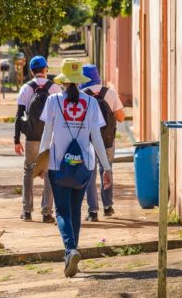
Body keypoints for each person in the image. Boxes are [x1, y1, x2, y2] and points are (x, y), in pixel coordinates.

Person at [39, 59, 112, 277]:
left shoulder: (53, 101)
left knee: (62, 211)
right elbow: (96, 137)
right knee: (76, 211)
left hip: (57, 164)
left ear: (62, 81)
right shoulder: (90, 102)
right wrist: (106, 167)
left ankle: (70, 251)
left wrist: (40, 163)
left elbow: (46, 134)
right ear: (80, 81)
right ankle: (72, 255)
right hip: (84, 165)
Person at [14, 55, 62, 223]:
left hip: (32, 137)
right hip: (50, 138)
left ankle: (26, 211)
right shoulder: (55, 88)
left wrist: (16, 140)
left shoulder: (26, 88)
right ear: (45, 69)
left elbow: (19, 115)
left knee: (28, 172)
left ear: (32, 71)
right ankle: (47, 213)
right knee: (49, 174)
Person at [79, 65, 125, 221]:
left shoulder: (82, 95)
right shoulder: (110, 93)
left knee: (90, 175)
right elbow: (120, 117)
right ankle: (108, 206)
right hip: (107, 140)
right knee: (107, 170)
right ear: (97, 75)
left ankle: (92, 211)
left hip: (88, 141)